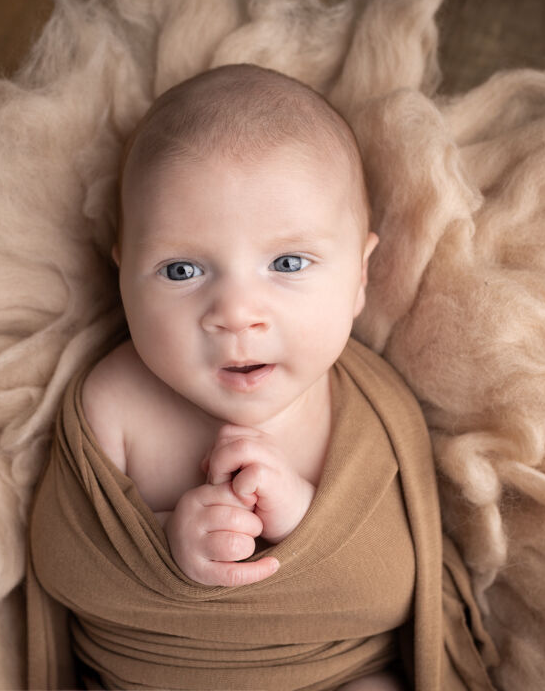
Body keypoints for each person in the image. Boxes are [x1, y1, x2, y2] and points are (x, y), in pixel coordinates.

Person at [26, 63, 491, 691]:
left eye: (288, 262)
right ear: (123, 277)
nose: (237, 315)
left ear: (358, 277)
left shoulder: (367, 407)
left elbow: (397, 589)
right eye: (182, 271)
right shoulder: (113, 402)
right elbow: (62, 563)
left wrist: (303, 521)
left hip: (328, 676)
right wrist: (167, 546)